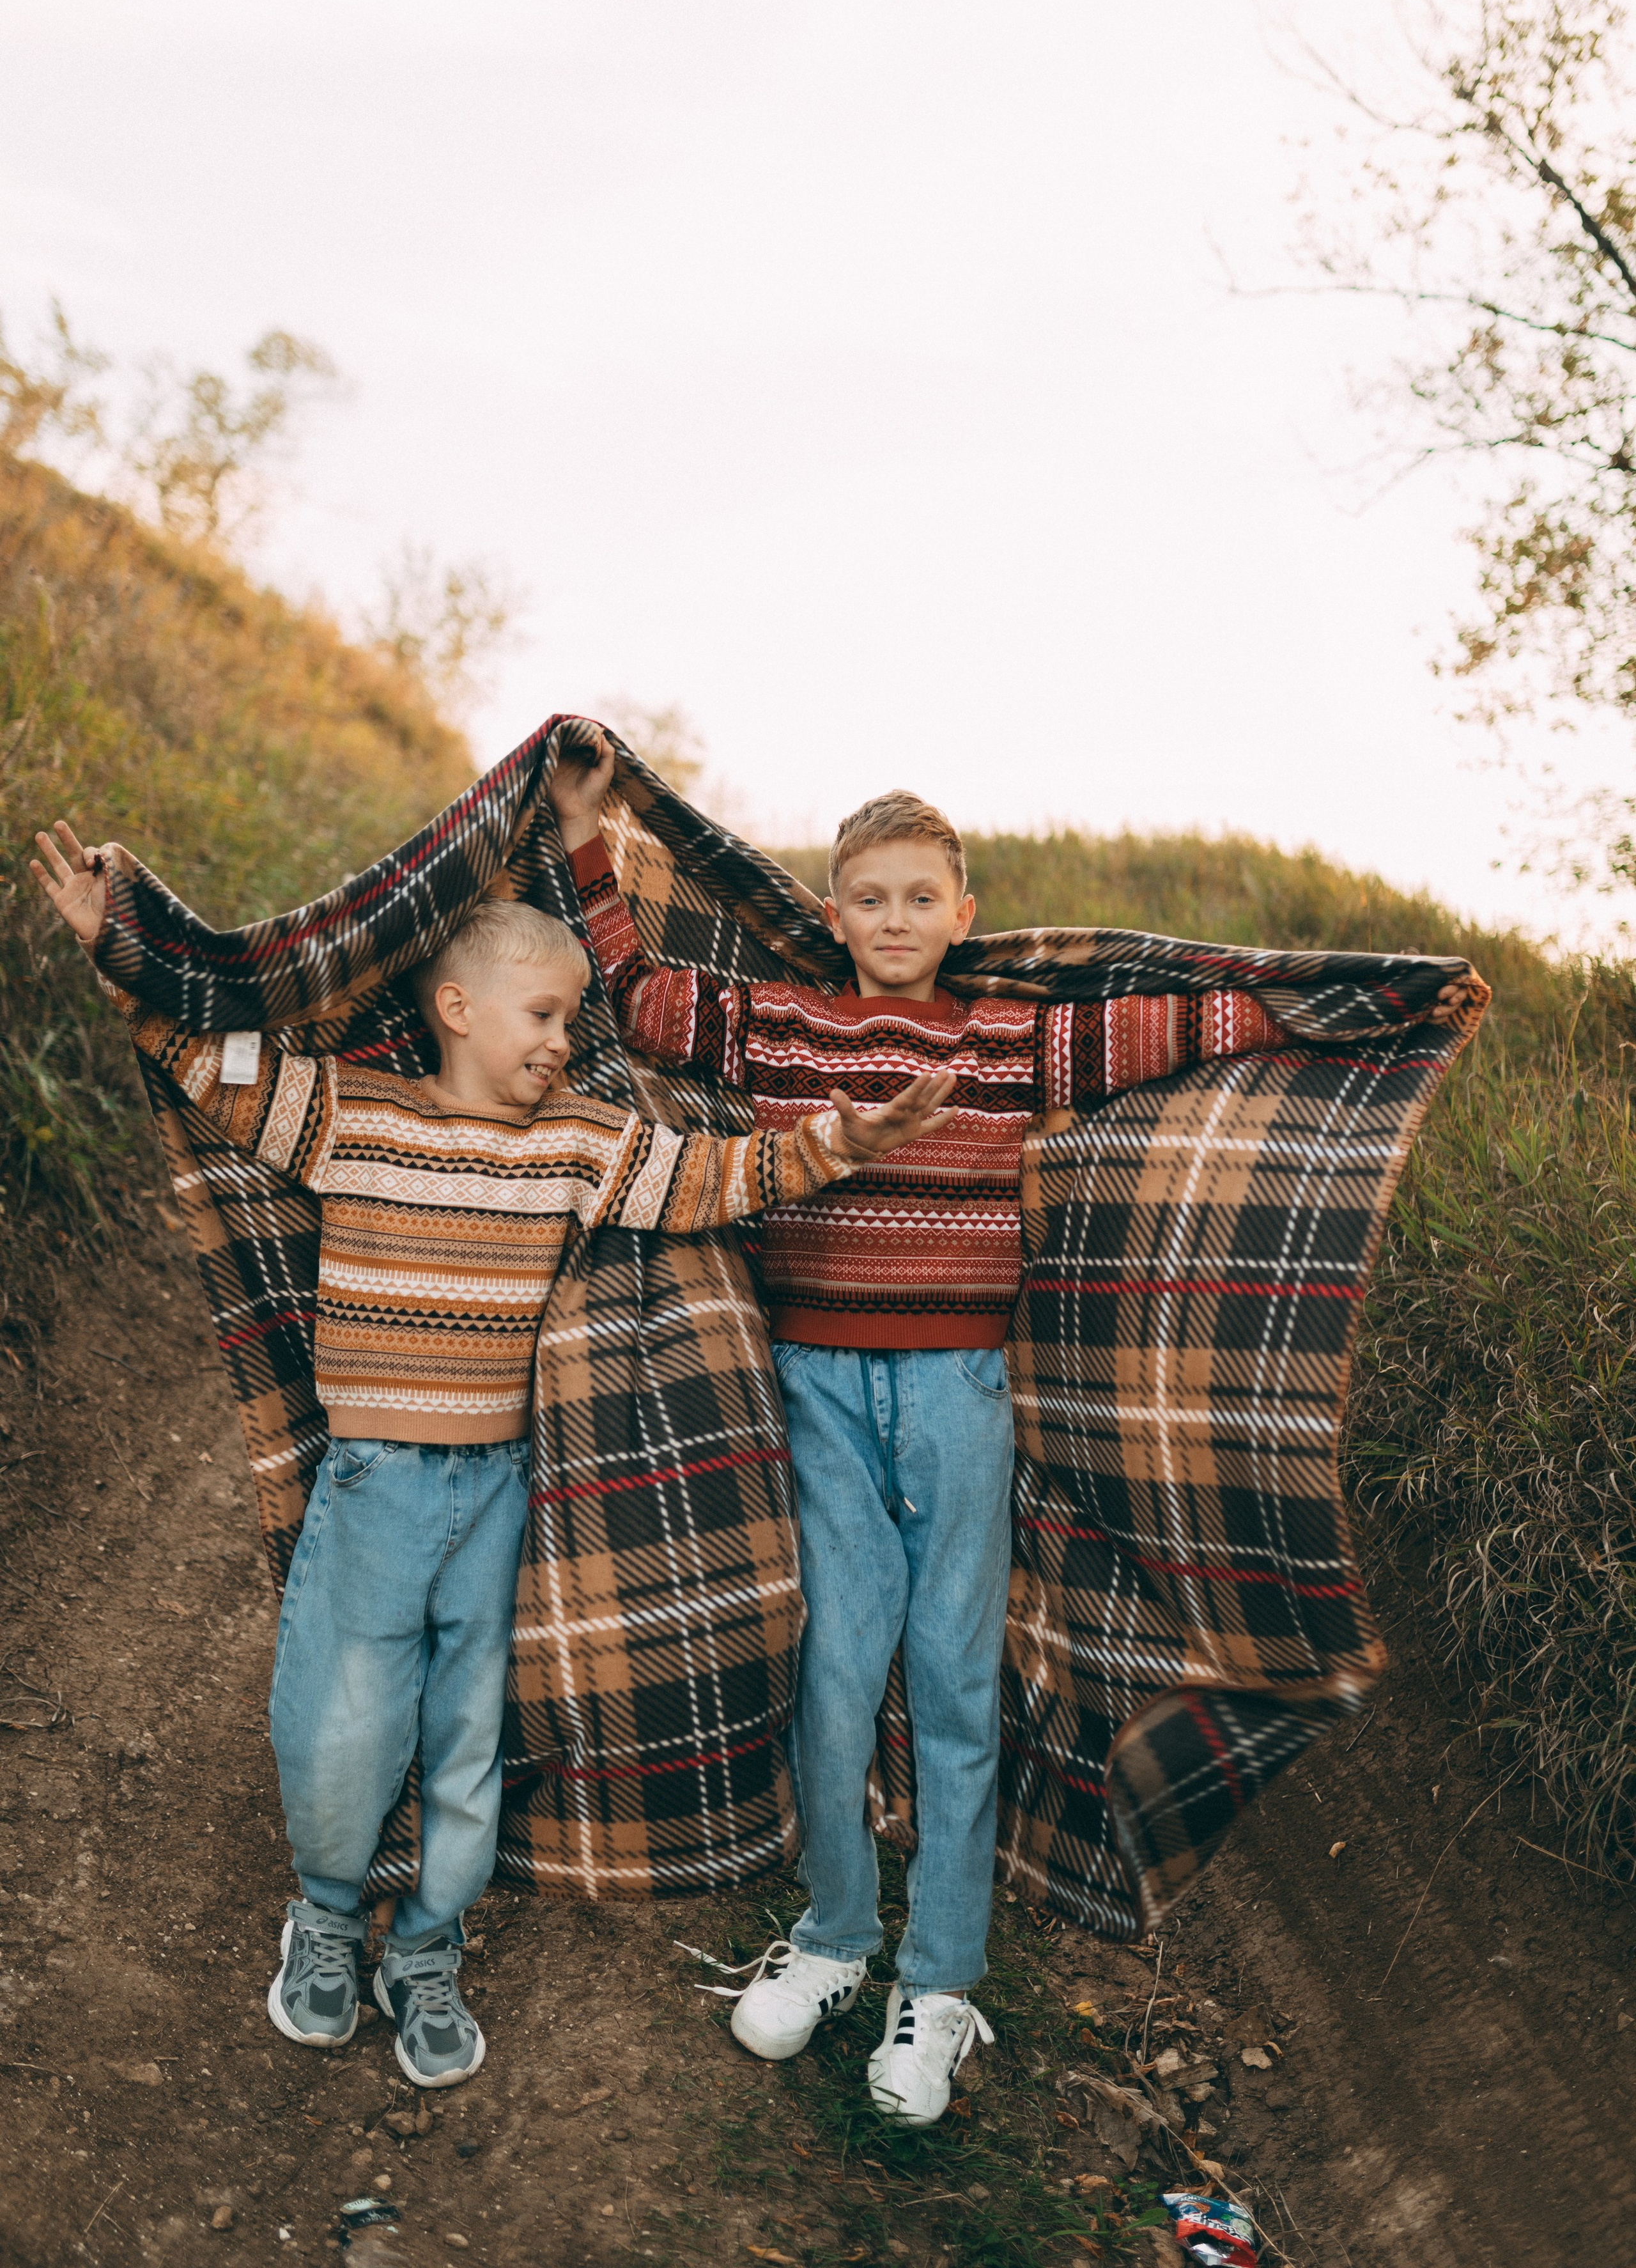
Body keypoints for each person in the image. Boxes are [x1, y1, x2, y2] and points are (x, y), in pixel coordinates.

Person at [550, 736, 1472, 2127]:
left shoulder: (1006, 1038)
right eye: (870, 897)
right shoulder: (785, 1025)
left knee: (955, 1683)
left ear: (961, 914)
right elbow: (641, 1000)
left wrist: (1357, 1005)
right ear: (835, 906)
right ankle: (835, 1937)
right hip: (815, 1383)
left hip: (957, 1396)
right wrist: (578, 832)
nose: (897, 921)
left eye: (922, 897)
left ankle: (940, 1983)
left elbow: (1188, 1023)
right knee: (837, 1671)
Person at [31, 818, 955, 2092]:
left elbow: (704, 1179)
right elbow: (204, 1059)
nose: (563, 1043)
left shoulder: (575, 1142)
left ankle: (427, 1946)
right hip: (370, 1486)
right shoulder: (348, 1117)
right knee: (344, 1721)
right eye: (542, 1015)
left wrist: (842, 1142)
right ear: (456, 1007)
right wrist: (122, 948)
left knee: (468, 1737)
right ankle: (324, 1913)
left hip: (495, 1494)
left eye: (574, 1022)